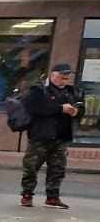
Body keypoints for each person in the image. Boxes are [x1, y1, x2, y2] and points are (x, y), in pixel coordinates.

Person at [21, 63, 81, 210]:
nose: (64, 80)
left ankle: (52, 197)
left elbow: (80, 107)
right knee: (31, 167)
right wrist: (61, 108)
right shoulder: (39, 90)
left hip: (61, 137)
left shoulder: (72, 91)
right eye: (62, 77)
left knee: (58, 169)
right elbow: (35, 108)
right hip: (40, 136)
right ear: (53, 75)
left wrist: (76, 111)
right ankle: (27, 195)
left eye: (67, 78)